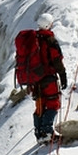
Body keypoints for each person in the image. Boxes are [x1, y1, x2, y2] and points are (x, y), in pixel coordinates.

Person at [31, 13, 68, 144]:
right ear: (48, 25)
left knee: (40, 105)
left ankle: (39, 133)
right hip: (49, 78)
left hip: (35, 81)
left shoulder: (33, 40)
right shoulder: (50, 40)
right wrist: (63, 75)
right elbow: (57, 59)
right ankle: (47, 132)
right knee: (52, 103)